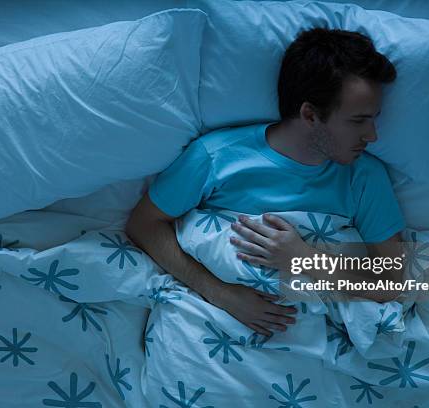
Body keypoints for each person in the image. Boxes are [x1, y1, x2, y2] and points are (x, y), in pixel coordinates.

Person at [126, 28, 405, 337]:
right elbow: (144, 223)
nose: (372, 136)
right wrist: (222, 295)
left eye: (374, 119)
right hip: (219, 322)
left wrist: (304, 259)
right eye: (358, 121)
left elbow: (392, 282)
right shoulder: (217, 156)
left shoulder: (364, 176)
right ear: (310, 114)